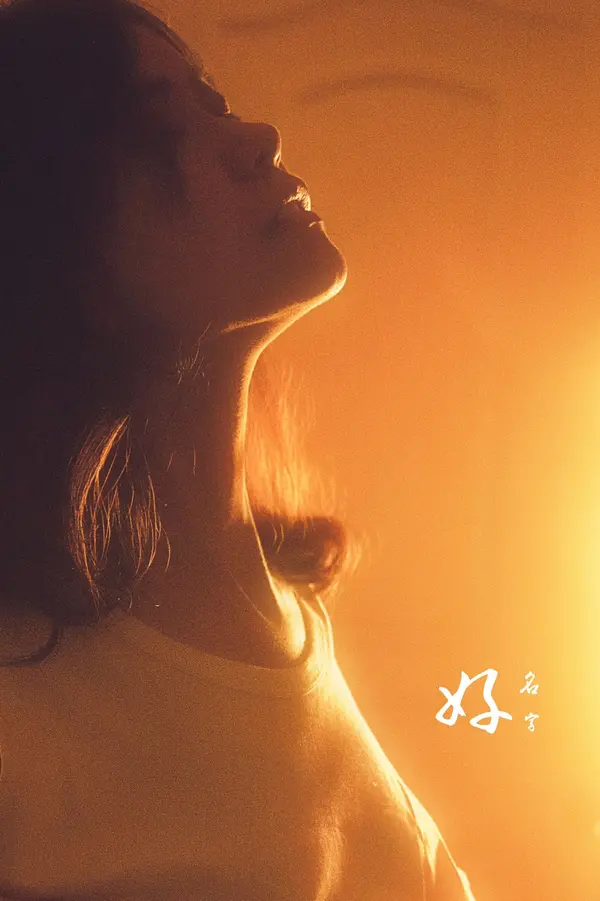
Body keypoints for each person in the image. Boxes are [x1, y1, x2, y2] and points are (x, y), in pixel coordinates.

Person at [0, 0, 478, 897]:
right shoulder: (26, 717)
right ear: (43, 245)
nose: (258, 137)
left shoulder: (292, 613)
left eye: (214, 103)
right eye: (156, 135)